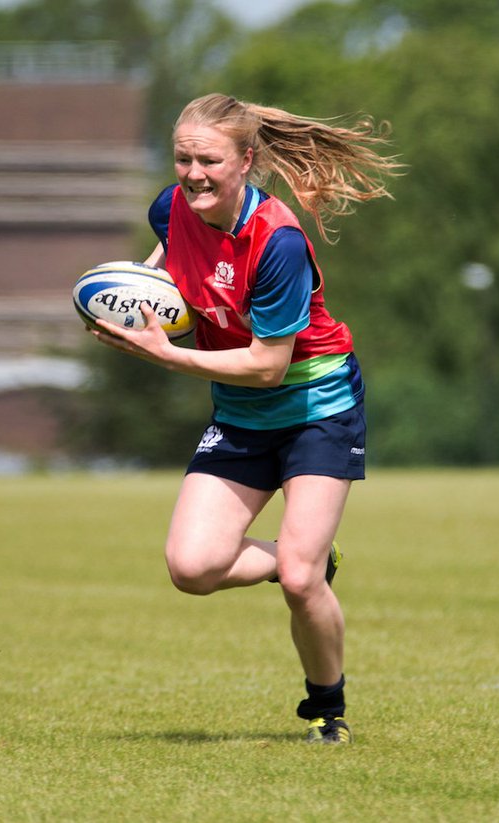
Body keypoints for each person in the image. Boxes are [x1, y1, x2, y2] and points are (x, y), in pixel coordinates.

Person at [89, 93, 401, 744]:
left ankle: (326, 708)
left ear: (246, 161)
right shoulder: (172, 208)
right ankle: (309, 558)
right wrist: (131, 302)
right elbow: (165, 256)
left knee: (298, 580)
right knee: (191, 567)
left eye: (208, 159)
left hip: (316, 407)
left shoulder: (277, 241)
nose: (193, 173)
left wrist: (168, 355)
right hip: (240, 414)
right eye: (182, 158)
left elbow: (267, 364)